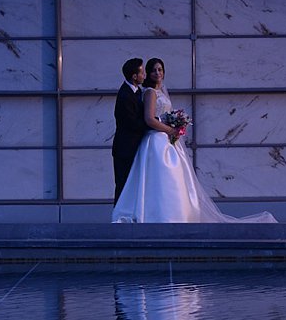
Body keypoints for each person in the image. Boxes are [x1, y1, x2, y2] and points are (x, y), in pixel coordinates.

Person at [112, 57, 277, 223]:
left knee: (172, 180)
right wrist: (171, 129)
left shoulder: (156, 91)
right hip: (154, 140)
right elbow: (149, 119)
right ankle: (158, 215)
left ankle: (178, 214)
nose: (157, 73)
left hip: (165, 139)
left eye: (160, 69)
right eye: (152, 70)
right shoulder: (148, 92)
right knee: (156, 179)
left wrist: (176, 123)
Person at [112, 58, 147, 205]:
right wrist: (156, 123)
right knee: (123, 184)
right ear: (134, 76)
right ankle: (118, 217)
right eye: (142, 72)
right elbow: (132, 123)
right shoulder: (125, 95)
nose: (145, 75)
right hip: (125, 149)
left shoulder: (138, 91)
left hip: (134, 146)